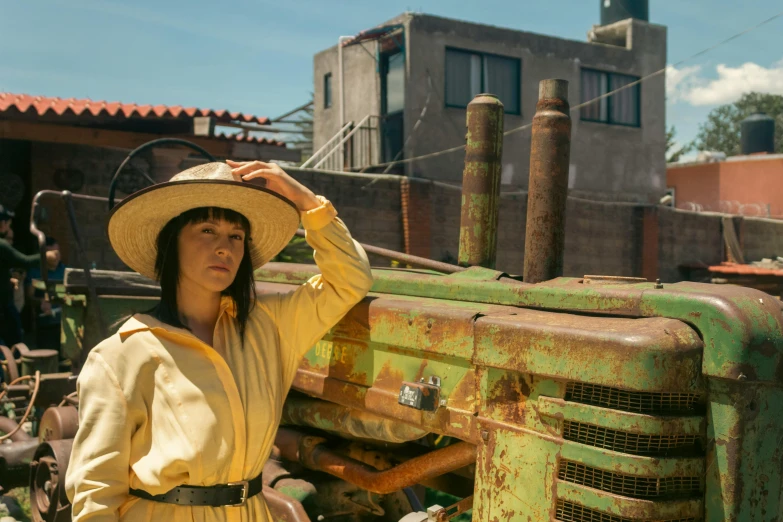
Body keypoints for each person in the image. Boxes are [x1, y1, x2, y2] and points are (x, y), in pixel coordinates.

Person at [64, 161, 373, 521]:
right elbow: (95, 494)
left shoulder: (270, 326)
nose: (225, 247)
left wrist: (306, 203)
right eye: (208, 230)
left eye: (236, 236)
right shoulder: (121, 356)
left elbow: (350, 279)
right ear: (171, 242)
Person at [0, 205, 59, 346]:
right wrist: (45, 256)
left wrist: (8, 280)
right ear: (2, 223)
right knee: (14, 339)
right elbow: (24, 261)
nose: (8, 227)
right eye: (8, 223)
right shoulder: (1, 245)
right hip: (3, 308)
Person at [25, 237, 66, 350]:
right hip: (45, 323)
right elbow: (29, 297)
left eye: (57, 252)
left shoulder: (65, 270)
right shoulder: (35, 271)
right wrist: (40, 302)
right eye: (52, 253)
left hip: (64, 322)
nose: (55, 256)